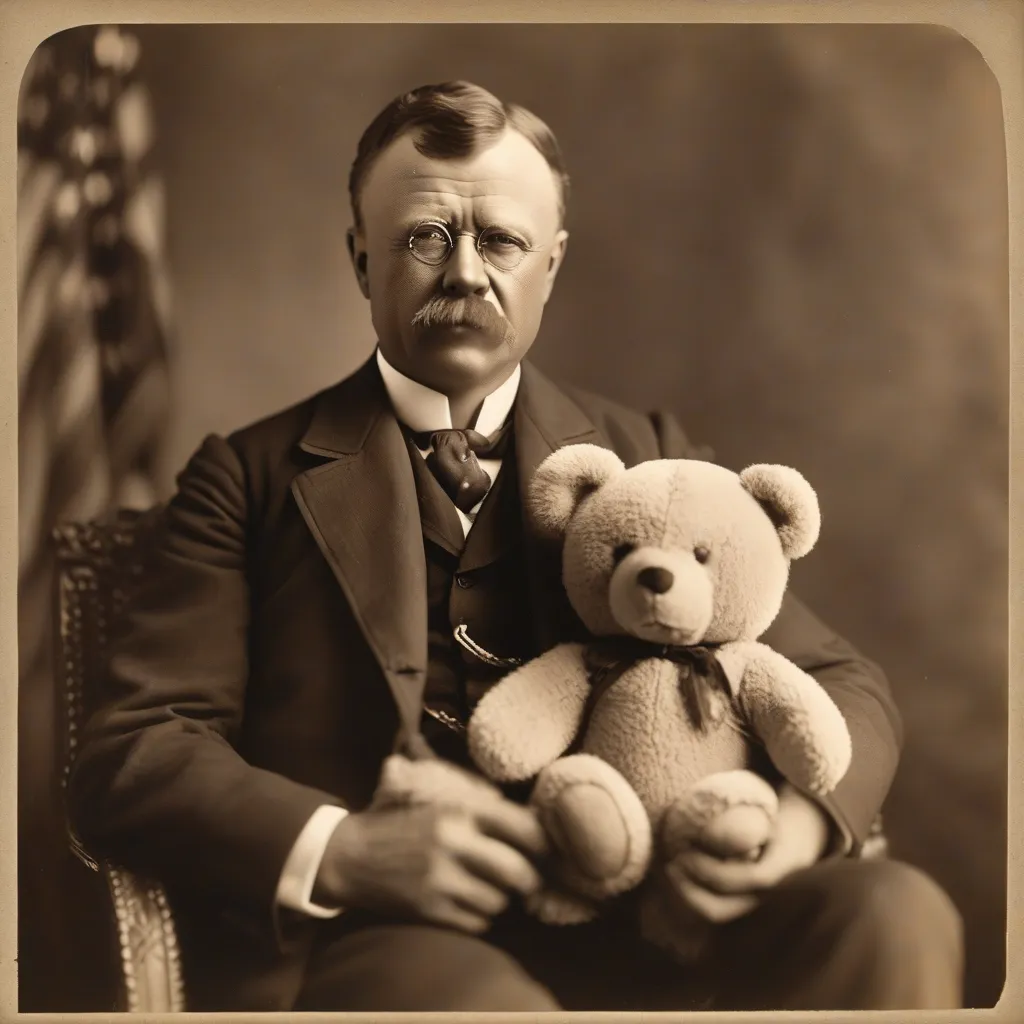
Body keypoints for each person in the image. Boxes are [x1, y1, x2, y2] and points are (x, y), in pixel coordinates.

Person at [69, 80, 963, 1013]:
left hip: (648, 922)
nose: (464, 273)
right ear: (361, 259)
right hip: (390, 946)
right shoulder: (247, 478)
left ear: (551, 265)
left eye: (501, 241)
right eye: (424, 237)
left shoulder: (645, 452)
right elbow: (141, 746)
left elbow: (840, 681)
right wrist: (347, 849)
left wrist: (797, 827)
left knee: (893, 912)